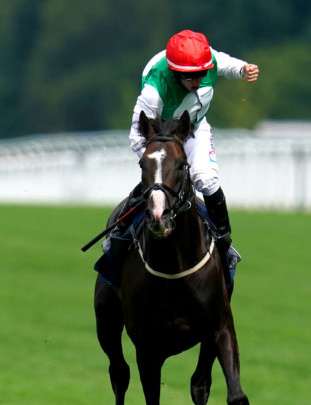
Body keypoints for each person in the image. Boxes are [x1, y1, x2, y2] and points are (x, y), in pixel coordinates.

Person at [104, 30, 259, 291]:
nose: (197, 81)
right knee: (158, 183)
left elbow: (224, 63)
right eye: (189, 77)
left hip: (193, 130)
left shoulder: (206, 62)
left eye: (200, 74)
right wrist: (157, 162)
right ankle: (117, 237)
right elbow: (136, 133)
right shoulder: (155, 89)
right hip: (160, 136)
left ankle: (224, 244)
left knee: (206, 180)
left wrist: (243, 69)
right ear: (176, 73)